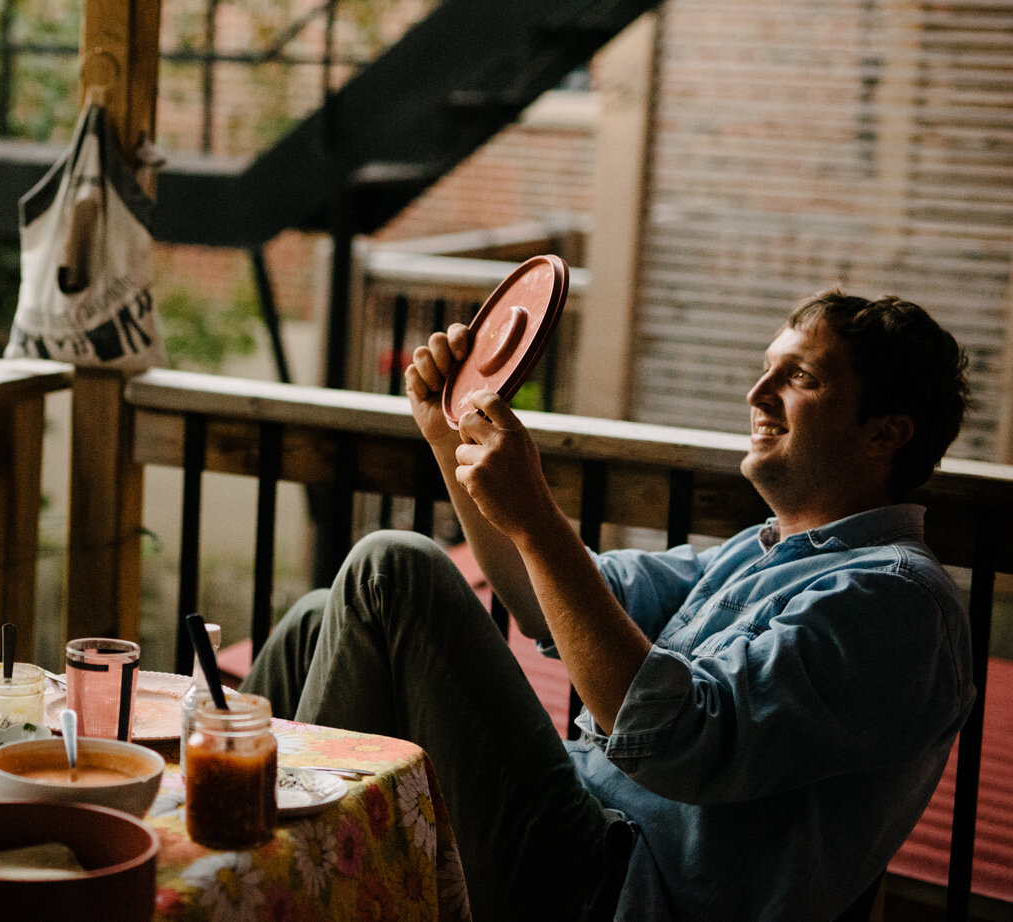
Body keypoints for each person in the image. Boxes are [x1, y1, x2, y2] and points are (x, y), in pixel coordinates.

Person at [245, 292, 975, 922]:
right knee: (320, 619)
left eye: (800, 378)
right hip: (577, 837)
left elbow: (677, 743)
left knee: (391, 568)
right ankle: (211, 840)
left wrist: (535, 515)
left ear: (886, 433)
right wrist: (447, 437)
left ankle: (262, 883)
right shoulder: (757, 555)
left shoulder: (897, 603)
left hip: (619, 893)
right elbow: (542, 600)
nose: (757, 393)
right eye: (766, 368)